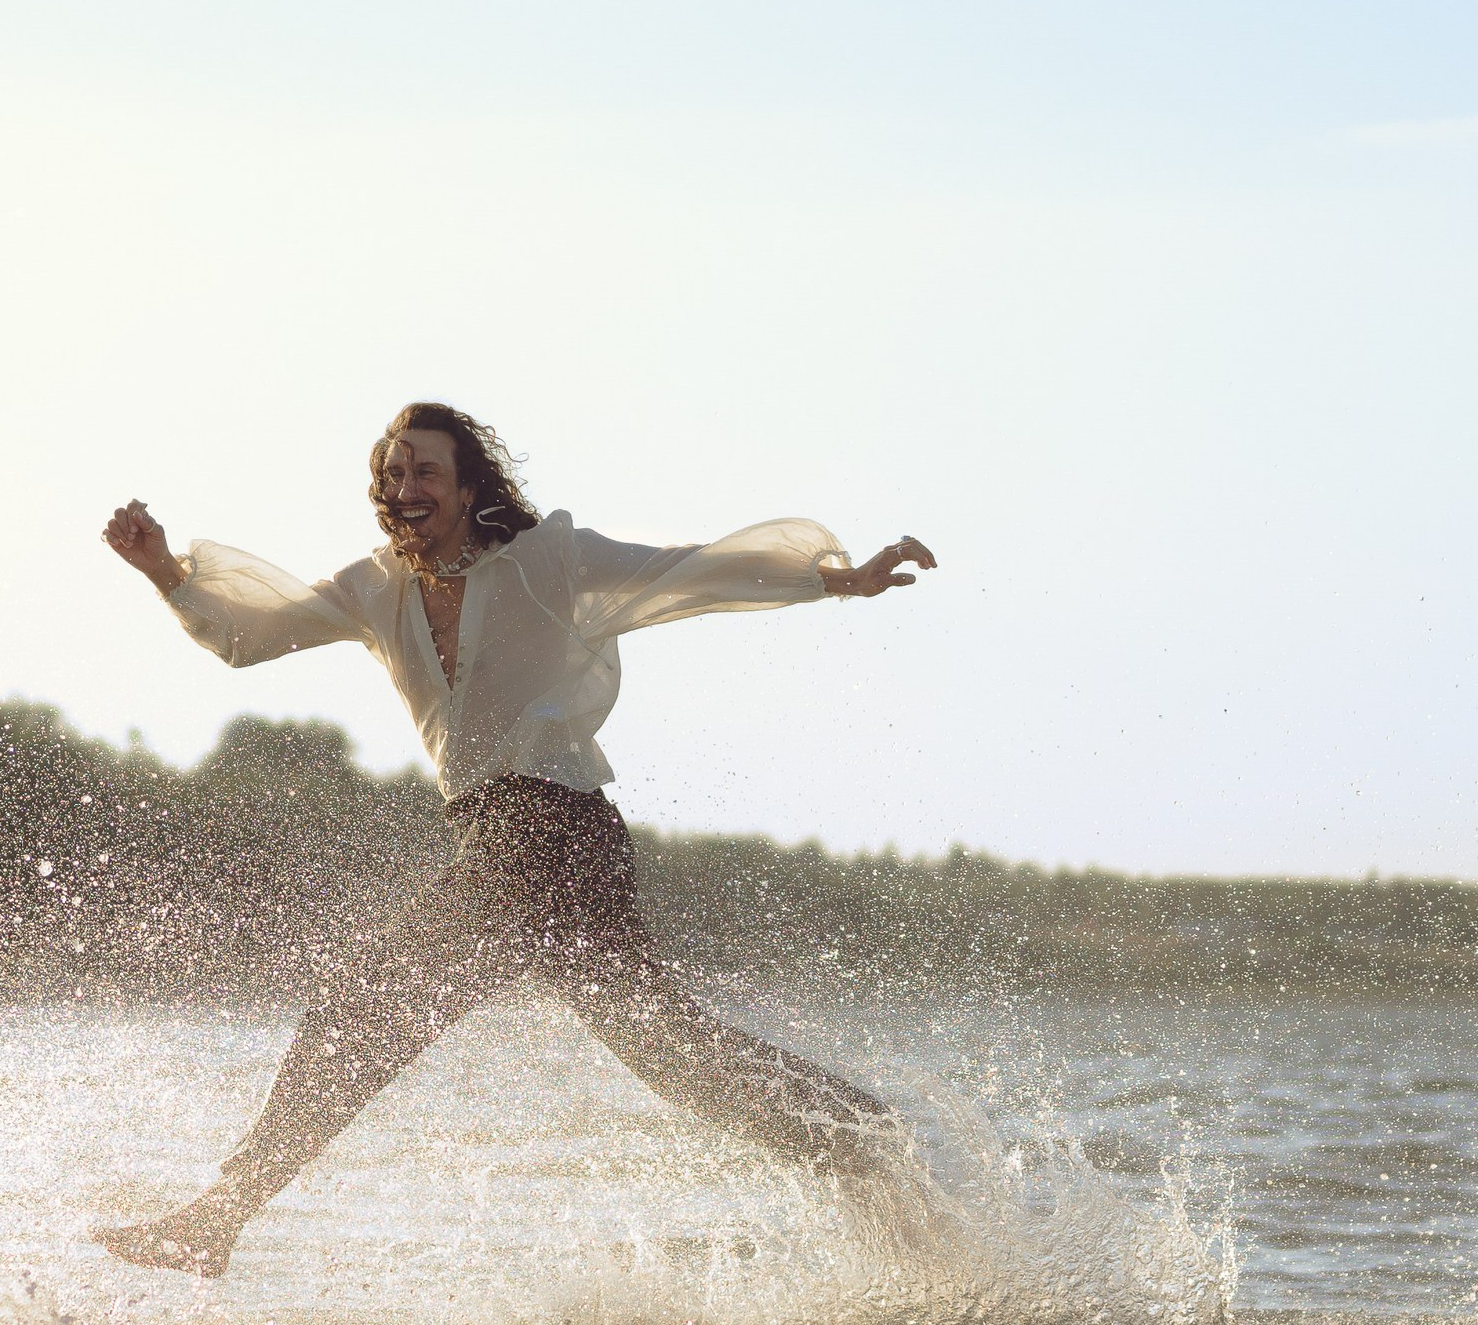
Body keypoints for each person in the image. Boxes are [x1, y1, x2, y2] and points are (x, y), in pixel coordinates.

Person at [93, 401, 934, 1277]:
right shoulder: (377, 587)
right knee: (674, 1058)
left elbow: (694, 570)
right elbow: (251, 634)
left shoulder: (546, 561)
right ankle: (868, 1142)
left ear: (466, 488)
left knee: (363, 1009)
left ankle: (216, 1218)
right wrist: (164, 572)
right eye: (393, 473)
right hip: (498, 836)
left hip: (556, 831)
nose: (405, 487)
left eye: (426, 472)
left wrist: (844, 577)